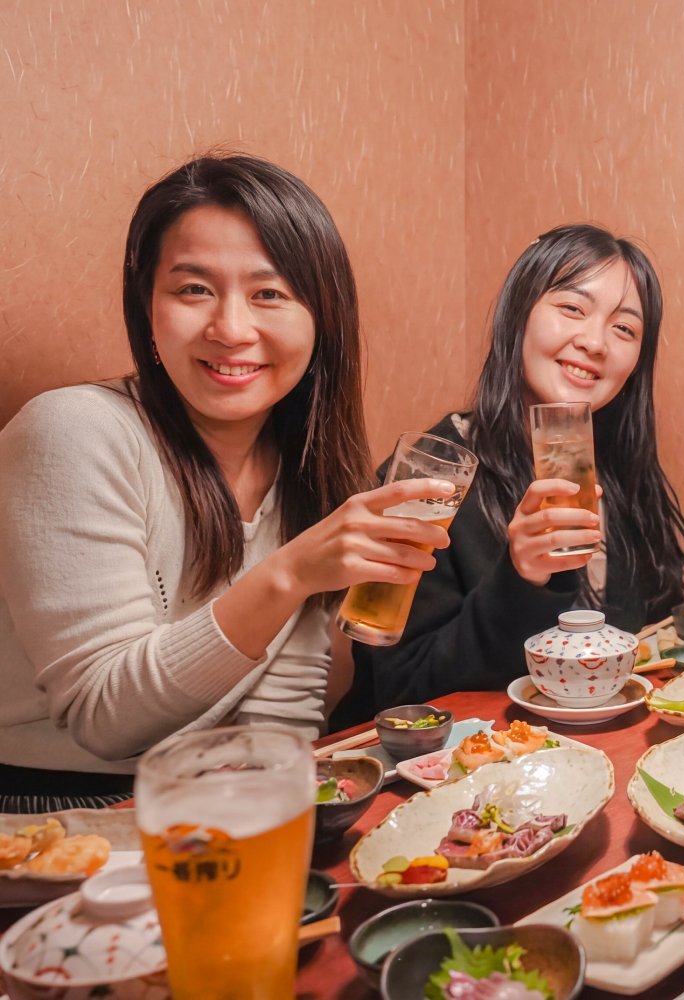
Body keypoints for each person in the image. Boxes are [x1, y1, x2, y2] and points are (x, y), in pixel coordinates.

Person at [0, 155, 456, 811]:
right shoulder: (73, 432)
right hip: (61, 814)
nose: (232, 329)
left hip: (225, 800)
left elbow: (286, 716)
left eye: (269, 294)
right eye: (193, 290)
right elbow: (107, 722)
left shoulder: (306, 466)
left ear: (320, 320)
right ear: (147, 313)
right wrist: (288, 576)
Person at [350, 224, 684, 713]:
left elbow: (647, 643)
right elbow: (399, 690)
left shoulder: (618, 471)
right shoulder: (429, 477)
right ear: (518, 312)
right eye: (572, 308)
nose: (596, 342)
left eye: (624, 328)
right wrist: (520, 580)